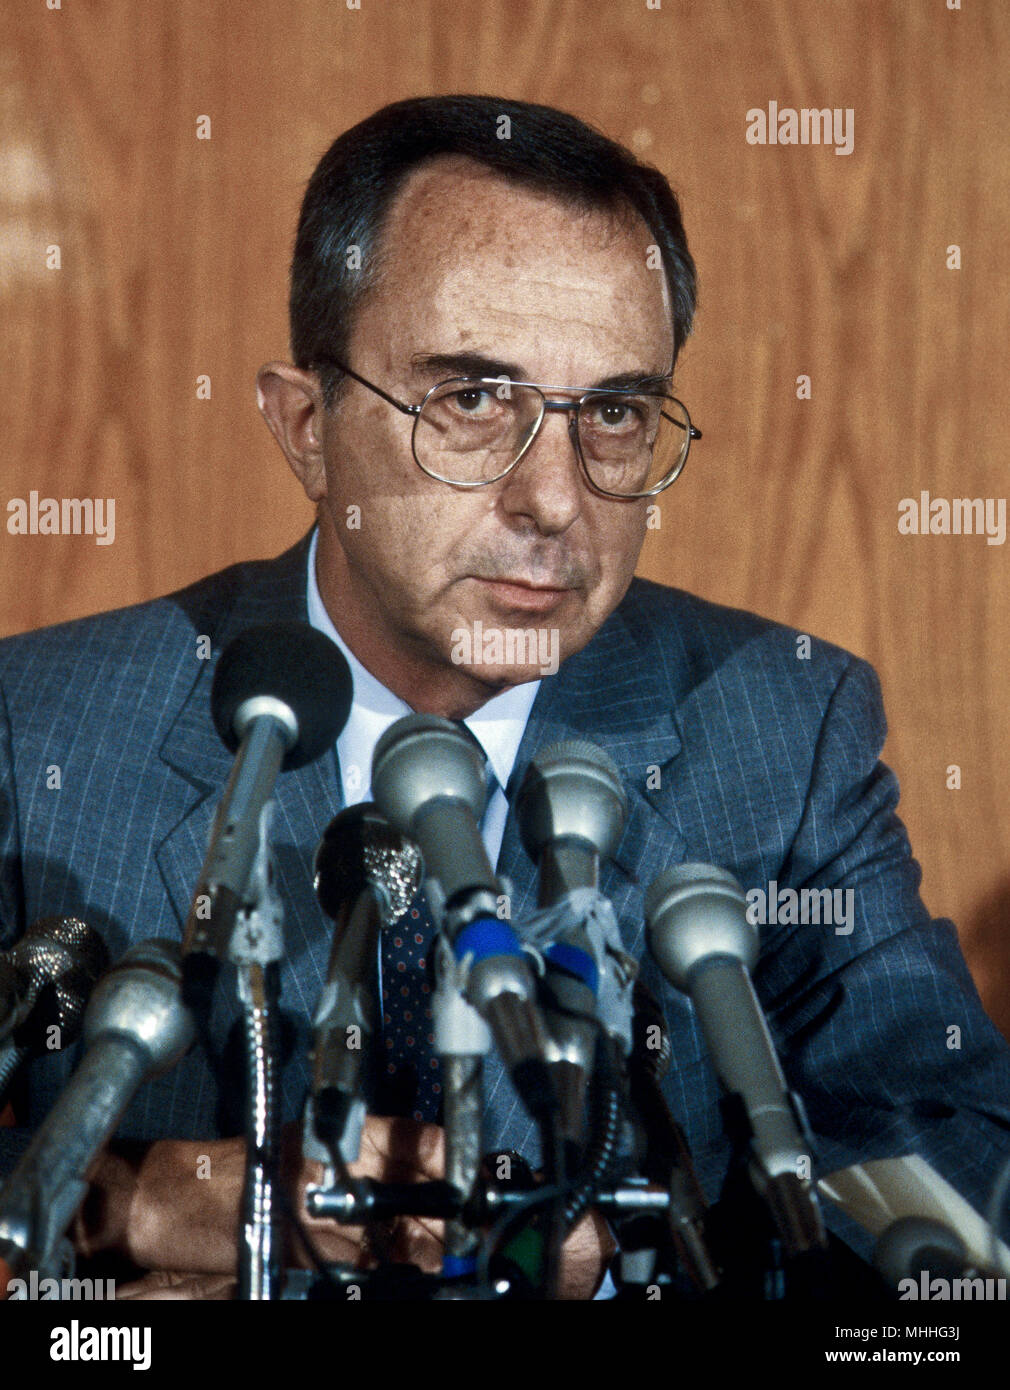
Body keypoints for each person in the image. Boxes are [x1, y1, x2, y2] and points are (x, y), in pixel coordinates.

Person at [1, 95, 1009, 1301]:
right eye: (474, 400)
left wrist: (630, 1259)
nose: (552, 499)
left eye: (615, 415)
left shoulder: (780, 730)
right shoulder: (40, 730)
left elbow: (942, 1160)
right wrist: (140, 1199)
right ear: (306, 426)